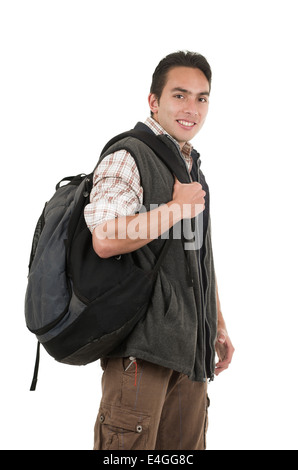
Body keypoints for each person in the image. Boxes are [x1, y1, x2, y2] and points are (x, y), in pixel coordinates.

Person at [84, 51, 234, 451]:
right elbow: (104, 237)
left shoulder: (190, 169)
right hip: (141, 355)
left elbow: (196, 255)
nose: (192, 108)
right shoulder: (128, 156)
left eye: (202, 98)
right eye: (180, 95)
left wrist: (215, 324)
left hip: (190, 354)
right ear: (154, 101)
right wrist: (175, 209)